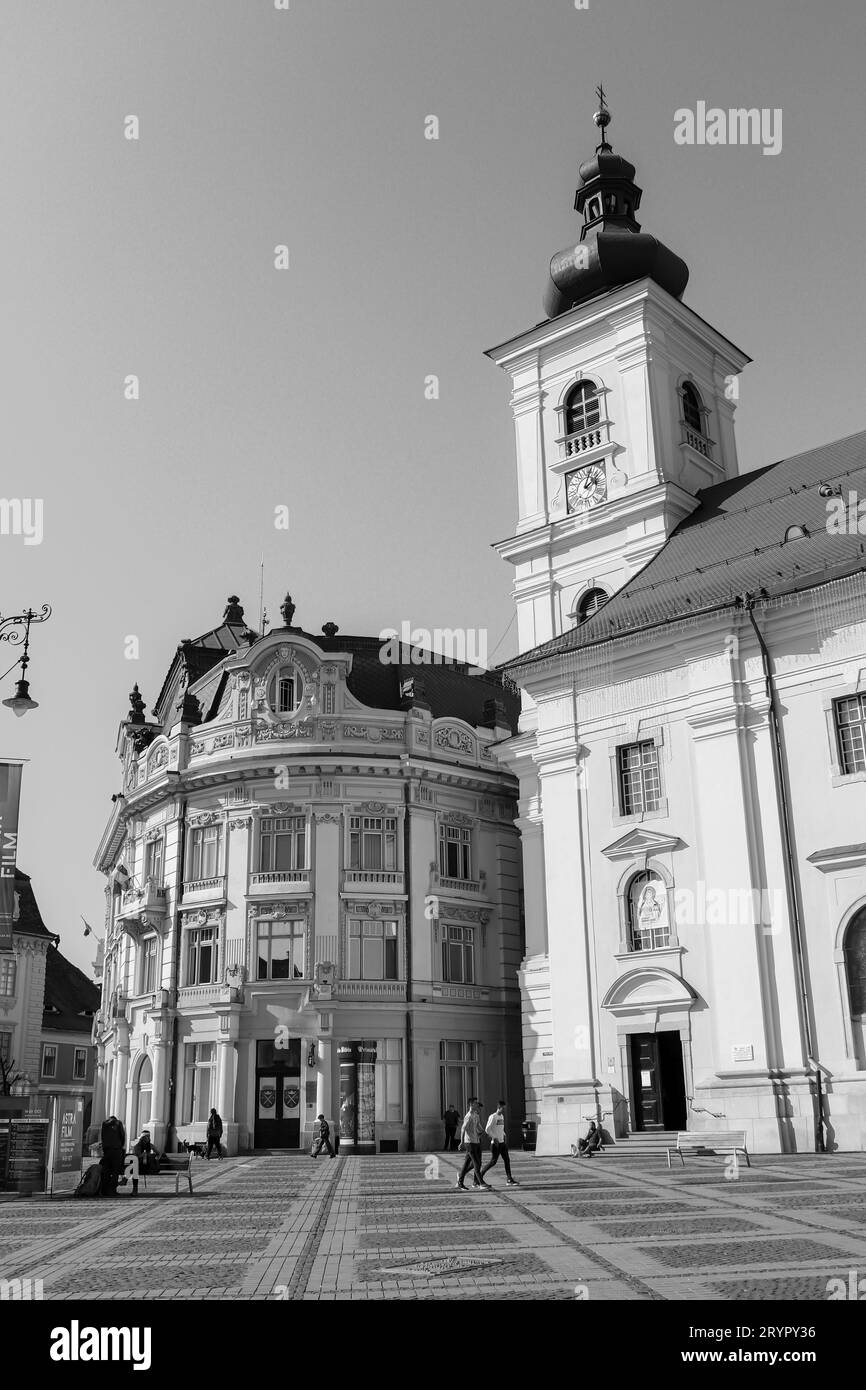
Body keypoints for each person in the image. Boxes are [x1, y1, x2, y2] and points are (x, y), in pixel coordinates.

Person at [455, 1098, 491, 1191]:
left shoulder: (476, 1115)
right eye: (475, 1103)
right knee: (476, 1163)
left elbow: (478, 1126)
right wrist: (461, 1142)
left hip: (476, 1142)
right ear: (471, 1104)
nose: (477, 1104)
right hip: (469, 1142)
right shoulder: (468, 1116)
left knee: (469, 1163)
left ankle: (460, 1180)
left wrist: (482, 1131)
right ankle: (480, 1183)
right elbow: (463, 1129)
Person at [480, 1100, 518, 1186]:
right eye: (503, 1108)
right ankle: (480, 1175)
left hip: (502, 1143)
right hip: (495, 1144)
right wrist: (494, 1137)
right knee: (493, 1161)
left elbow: (500, 1128)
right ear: (499, 1107)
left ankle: (509, 1179)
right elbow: (487, 1129)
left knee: (507, 1160)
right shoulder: (493, 1117)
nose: (504, 1110)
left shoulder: (502, 1117)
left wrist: (504, 1134)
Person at [99, 1114, 126, 1197]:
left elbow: (102, 1136)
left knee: (106, 1170)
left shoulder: (104, 1124)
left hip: (107, 1150)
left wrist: (104, 1148)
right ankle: (112, 1190)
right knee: (115, 1171)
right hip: (116, 1150)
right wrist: (120, 1147)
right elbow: (122, 1136)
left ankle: (104, 1190)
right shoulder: (118, 1123)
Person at [130, 1129, 161, 1195]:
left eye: (149, 1137)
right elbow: (136, 1156)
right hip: (140, 1166)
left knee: (135, 1168)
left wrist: (156, 1157)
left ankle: (126, 1180)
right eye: (146, 1137)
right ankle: (134, 1190)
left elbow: (158, 1153)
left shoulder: (150, 1145)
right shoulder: (137, 1146)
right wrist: (143, 1155)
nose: (148, 1138)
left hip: (148, 1166)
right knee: (135, 1168)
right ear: (142, 1138)